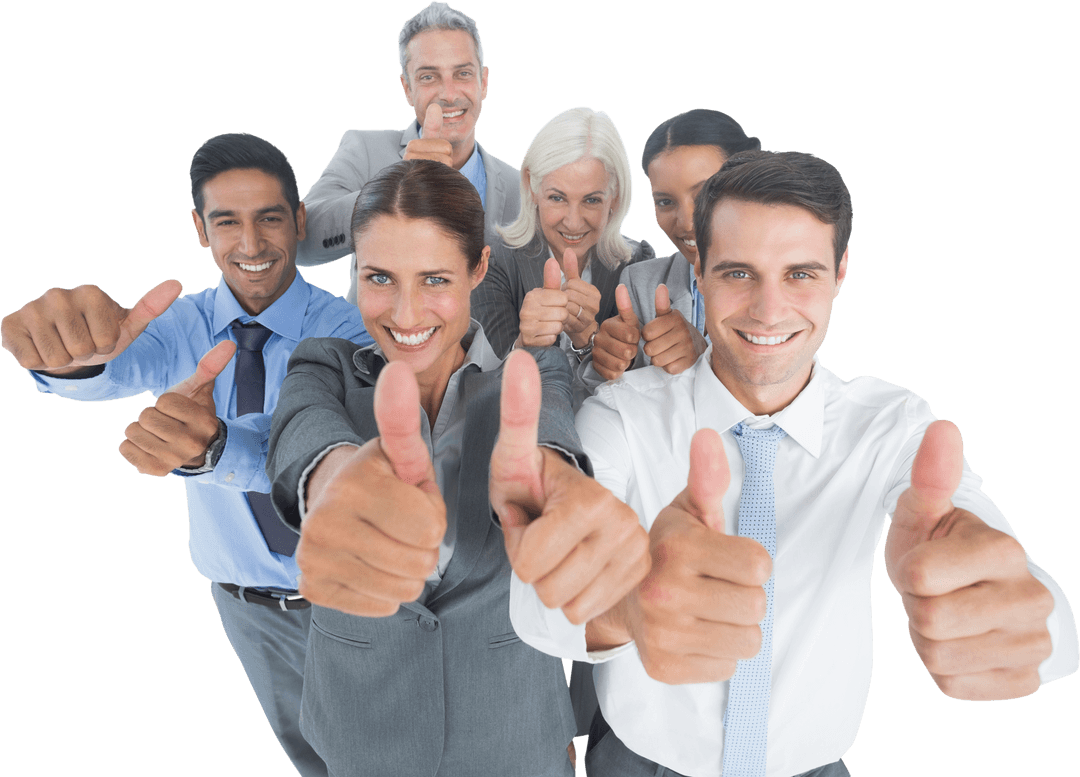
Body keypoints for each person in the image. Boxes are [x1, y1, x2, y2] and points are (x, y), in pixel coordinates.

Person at [509, 150, 1079, 777]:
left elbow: (1029, 595)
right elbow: (535, 608)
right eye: (738, 273)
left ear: (840, 273)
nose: (768, 309)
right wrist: (626, 609)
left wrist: (1013, 610)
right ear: (698, 274)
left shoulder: (889, 425)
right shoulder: (621, 418)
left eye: (801, 274)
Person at [0, 133, 372, 777]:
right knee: (311, 756)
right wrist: (77, 362)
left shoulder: (352, 328)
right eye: (227, 222)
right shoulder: (176, 326)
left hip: (352, 601)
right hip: (244, 605)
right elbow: (114, 369)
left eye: (270, 218)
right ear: (200, 230)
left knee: (383, 753)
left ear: (301, 221)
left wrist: (216, 447)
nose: (251, 245)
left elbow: (330, 437)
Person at [266, 159, 649, 776]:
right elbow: (300, 435)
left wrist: (553, 484)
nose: (407, 311)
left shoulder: (528, 377)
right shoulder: (322, 366)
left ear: (478, 270)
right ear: (355, 275)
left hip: (511, 733)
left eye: (435, 278)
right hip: (363, 735)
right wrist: (337, 484)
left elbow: (548, 426)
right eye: (380, 278)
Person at [297, 1, 519, 305]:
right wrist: (392, 186)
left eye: (463, 74)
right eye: (429, 76)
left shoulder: (519, 187)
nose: (449, 94)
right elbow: (300, 240)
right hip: (375, 347)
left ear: (483, 82)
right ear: (407, 88)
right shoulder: (364, 150)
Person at [470, 106, 654, 398]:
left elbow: (646, 393)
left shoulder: (637, 263)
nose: (572, 221)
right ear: (531, 186)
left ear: (615, 197)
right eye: (557, 197)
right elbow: (476, 390)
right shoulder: (492, 260)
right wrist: (524, 344)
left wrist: (587, 340)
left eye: (591, 200)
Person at [586, 109, 761, 383]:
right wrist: (611, 364)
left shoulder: (791, 277)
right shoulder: (641, 283)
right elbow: (615, 404)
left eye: (704, 194)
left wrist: (706, 359)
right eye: (665, 202)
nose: (687, 222)